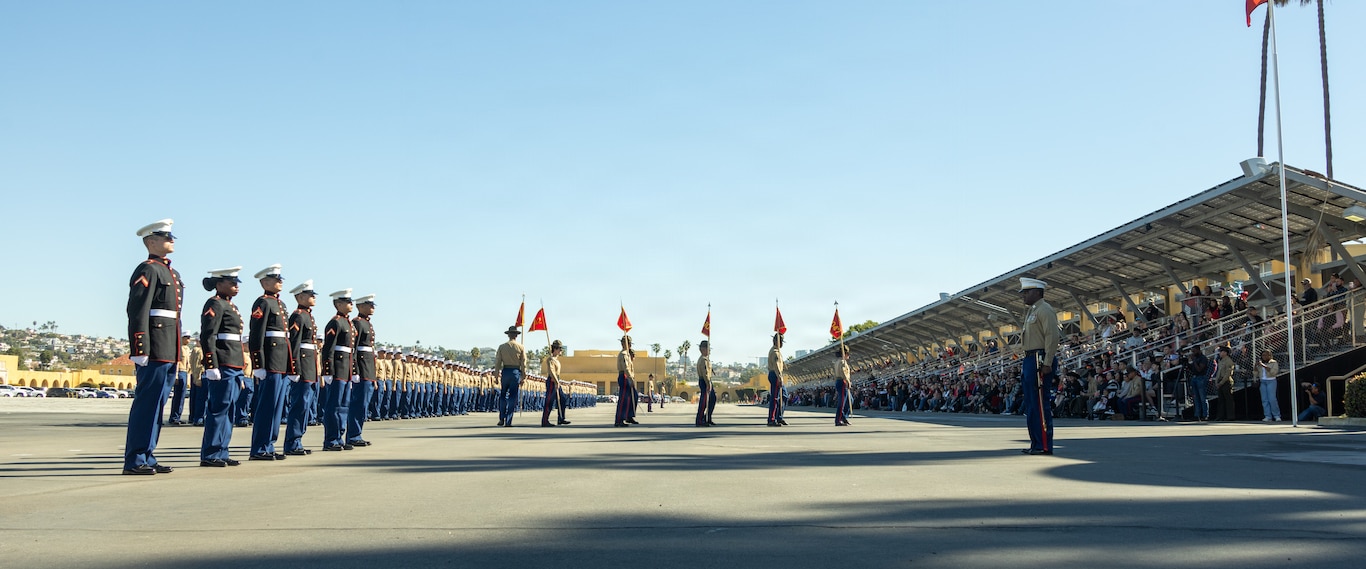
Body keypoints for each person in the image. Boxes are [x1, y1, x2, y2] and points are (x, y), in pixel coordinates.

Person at [122, 219, 184, 475]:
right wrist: (140, 348)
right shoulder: (147, 270)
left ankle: (147, 454)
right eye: (164, 236)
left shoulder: (171, 273)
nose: (171, 240)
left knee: (158, 405)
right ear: (150, 241)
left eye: (171, 236)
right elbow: (137, 310)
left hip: (168, 348)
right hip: (155, 347)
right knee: (147, 404)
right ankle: (135, 459)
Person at [199, 266, 246, 467]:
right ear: (219, 284)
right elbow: (208, 335)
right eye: (231, 283)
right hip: (223, 362)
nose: (236, 286)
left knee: (229, 409)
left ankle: (222, 450)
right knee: (219, 409)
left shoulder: (231, 306)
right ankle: (211, 453)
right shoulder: (215, 304)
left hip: (233, 362)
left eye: (237, 283)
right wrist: (211, 364)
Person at [247, 264, 293, 461]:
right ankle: (259, 448)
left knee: (277, 407)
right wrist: (258, 364)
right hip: (270, 362)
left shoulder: (281, 305)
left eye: (280, 278)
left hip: (281, 361)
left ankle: (269, 445)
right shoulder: (262, 303)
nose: (280, 281)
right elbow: (256, 335)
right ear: (264, 282)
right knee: (267, 406)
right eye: (276, 279)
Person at [1019, 277, 1059, 455]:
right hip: (1030, 358)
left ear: (1037, 292)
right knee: (1031, 404)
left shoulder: (1045, 310)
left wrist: (1048, 361)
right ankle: (1035, 442)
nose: (1024, 296)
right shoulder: (1032, 311)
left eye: (1027, 292)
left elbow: (1052, 336)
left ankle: (1043, 445)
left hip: (1039, 358)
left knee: (1040, 405)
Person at [283, 279, 319, 455]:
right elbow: (294, 344)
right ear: (300, 297)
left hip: (310, 366)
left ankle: (297, 440)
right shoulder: (298, 315)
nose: (313, 297)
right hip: (303, 367)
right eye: (310, 295)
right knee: (299, 405)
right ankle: (292, 442)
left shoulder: (308, 315)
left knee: (305, 406)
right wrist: (294, 368)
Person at [320, 289, 357, 451]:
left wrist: (353, 371)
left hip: (346, 370)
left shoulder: (348, 323)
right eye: (348, 302)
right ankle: (331, 439)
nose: (351, 304)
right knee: (334, 406)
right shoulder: (335, 322)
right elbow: (328, 349)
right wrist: (327, 371)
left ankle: (339, 437)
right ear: (338, 304)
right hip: (337, 369)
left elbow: (351, 350)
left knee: (343, 405)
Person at [346, 294, 378, 446]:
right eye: (369, 305)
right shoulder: (357, 323)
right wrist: (355, 370)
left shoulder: (368, 324)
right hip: (361, 368)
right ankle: (353, 435)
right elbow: (353, 349)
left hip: (368, 369)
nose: (372, 308)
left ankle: (357, 433)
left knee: (364, 404)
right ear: (360, 306)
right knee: (358, 403)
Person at [493, 325, 526, 427]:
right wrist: (523, 376)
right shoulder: (521, 347)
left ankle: (501, 418)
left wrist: (496, 376)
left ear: (508, 335)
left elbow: (498, 362)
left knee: (503, 395)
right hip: (515, 372)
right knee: (512, 397)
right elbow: (523, 363)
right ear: (516, 335)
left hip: (505, 371)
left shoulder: (502, 347)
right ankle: (508, 420)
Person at [541, 340, 571, 427]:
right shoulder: (550, 359)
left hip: (557, 380)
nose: (561, 351)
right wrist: (556, 381)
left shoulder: (556, 360)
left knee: (563, 399)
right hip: (552, 381)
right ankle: (545, 421)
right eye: (559, 349)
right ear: (555, 349)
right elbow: (551, 371)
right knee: (549, 401)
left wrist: (558, 381)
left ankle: (561, 418)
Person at [168, 334, 195, 426]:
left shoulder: (187, 349)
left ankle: (177, 416)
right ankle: (174, 417)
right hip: (179, 371)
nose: (188, 339)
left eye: (189, 338)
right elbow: (177, 362)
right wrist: (175, 375)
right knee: (178, 395)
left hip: (185, 372)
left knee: (182, 396)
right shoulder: (178, 348)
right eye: (186, 338)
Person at [183, 333, 206, 426]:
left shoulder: (194, 350)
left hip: (195, 375)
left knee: (196, 398)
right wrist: (198, 378)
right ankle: (198, 418)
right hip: (200, 375)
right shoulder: (199, 351)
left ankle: (194, 417)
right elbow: (197, 366)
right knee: (201, 399)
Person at [614, 335, 635, 427]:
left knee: (632, 396)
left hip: (627, 376)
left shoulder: (627, 354)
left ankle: (628, 416)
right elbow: (626, 368)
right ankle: (619, 420)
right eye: (628, 343)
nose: (629, 345)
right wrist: (630, 378)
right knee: (623, 399)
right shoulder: (624, 354)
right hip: (624, 376)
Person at [767, 333, 787, 427]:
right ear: (776, 341)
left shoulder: (777, 351)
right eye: (781, 341)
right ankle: (771, 419)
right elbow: (776, 366)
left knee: (784, 396)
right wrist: (780, 378)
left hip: (777, 374)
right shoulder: (775, 352)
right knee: (775, 398)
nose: (782, 343)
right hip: (775, 375)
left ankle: (779, 416)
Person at [1187, 346, 1211, 421]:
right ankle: (1197, 414)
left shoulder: (1203, 358)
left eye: (1194, 351)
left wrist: (1194, 361)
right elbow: (1193, 369)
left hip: (1201, 378)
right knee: (1196, 398)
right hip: (1194, 377)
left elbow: (1200, 369)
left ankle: (1205, 414)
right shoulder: (1196, 358)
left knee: (1202, 397)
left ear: (1198, 350)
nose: (1193, 353)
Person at [1257, 349, 1281, 422]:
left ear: (1270, 356)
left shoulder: (1274, 362)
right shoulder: (1260, 363)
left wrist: (1264, 366)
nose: (1264, 357)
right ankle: (1267, 416)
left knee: (1272, 399)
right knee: (1264, 399)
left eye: (1266, 355)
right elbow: (1255, 373)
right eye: (1263, 355)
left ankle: (1277, 415)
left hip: (1271, 380)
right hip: (1263, 381)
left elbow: (1274, 372)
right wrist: (1256, 366)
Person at [1214, 346, 1236, 421]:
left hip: (1226, 381)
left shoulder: (1229, 361)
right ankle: (1221, 415)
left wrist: (1221, 382)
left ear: (1225, 353)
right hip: (1220, 381)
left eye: (1221, 352)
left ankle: (1230, 416)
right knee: (1221, 400)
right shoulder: (1221, 361)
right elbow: (1218, 372)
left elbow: (1228, 374)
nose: (1220, 353)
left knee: (1228, 399)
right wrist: (1216, 381)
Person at [696, 340, 715, 427]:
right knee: (704, 401)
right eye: (708, 348)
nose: (709, 351)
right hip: (704, 381)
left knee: (712, 399)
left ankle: (707, 418)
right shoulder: (703, 360)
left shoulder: (706, 359)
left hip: (706, 380)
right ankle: (700, 419)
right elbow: (705, 373)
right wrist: (708, 383)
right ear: (703, 349)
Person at [834, 344, 852, 426]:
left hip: (839, 381)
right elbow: (843, 373)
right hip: (842, 381)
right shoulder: (842, 362)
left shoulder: (837, 361)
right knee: (842, 402)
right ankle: (839, 419)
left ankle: (844, 417)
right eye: (848, 354)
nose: (849, 355)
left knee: (850, 400)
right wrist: (848, 381)